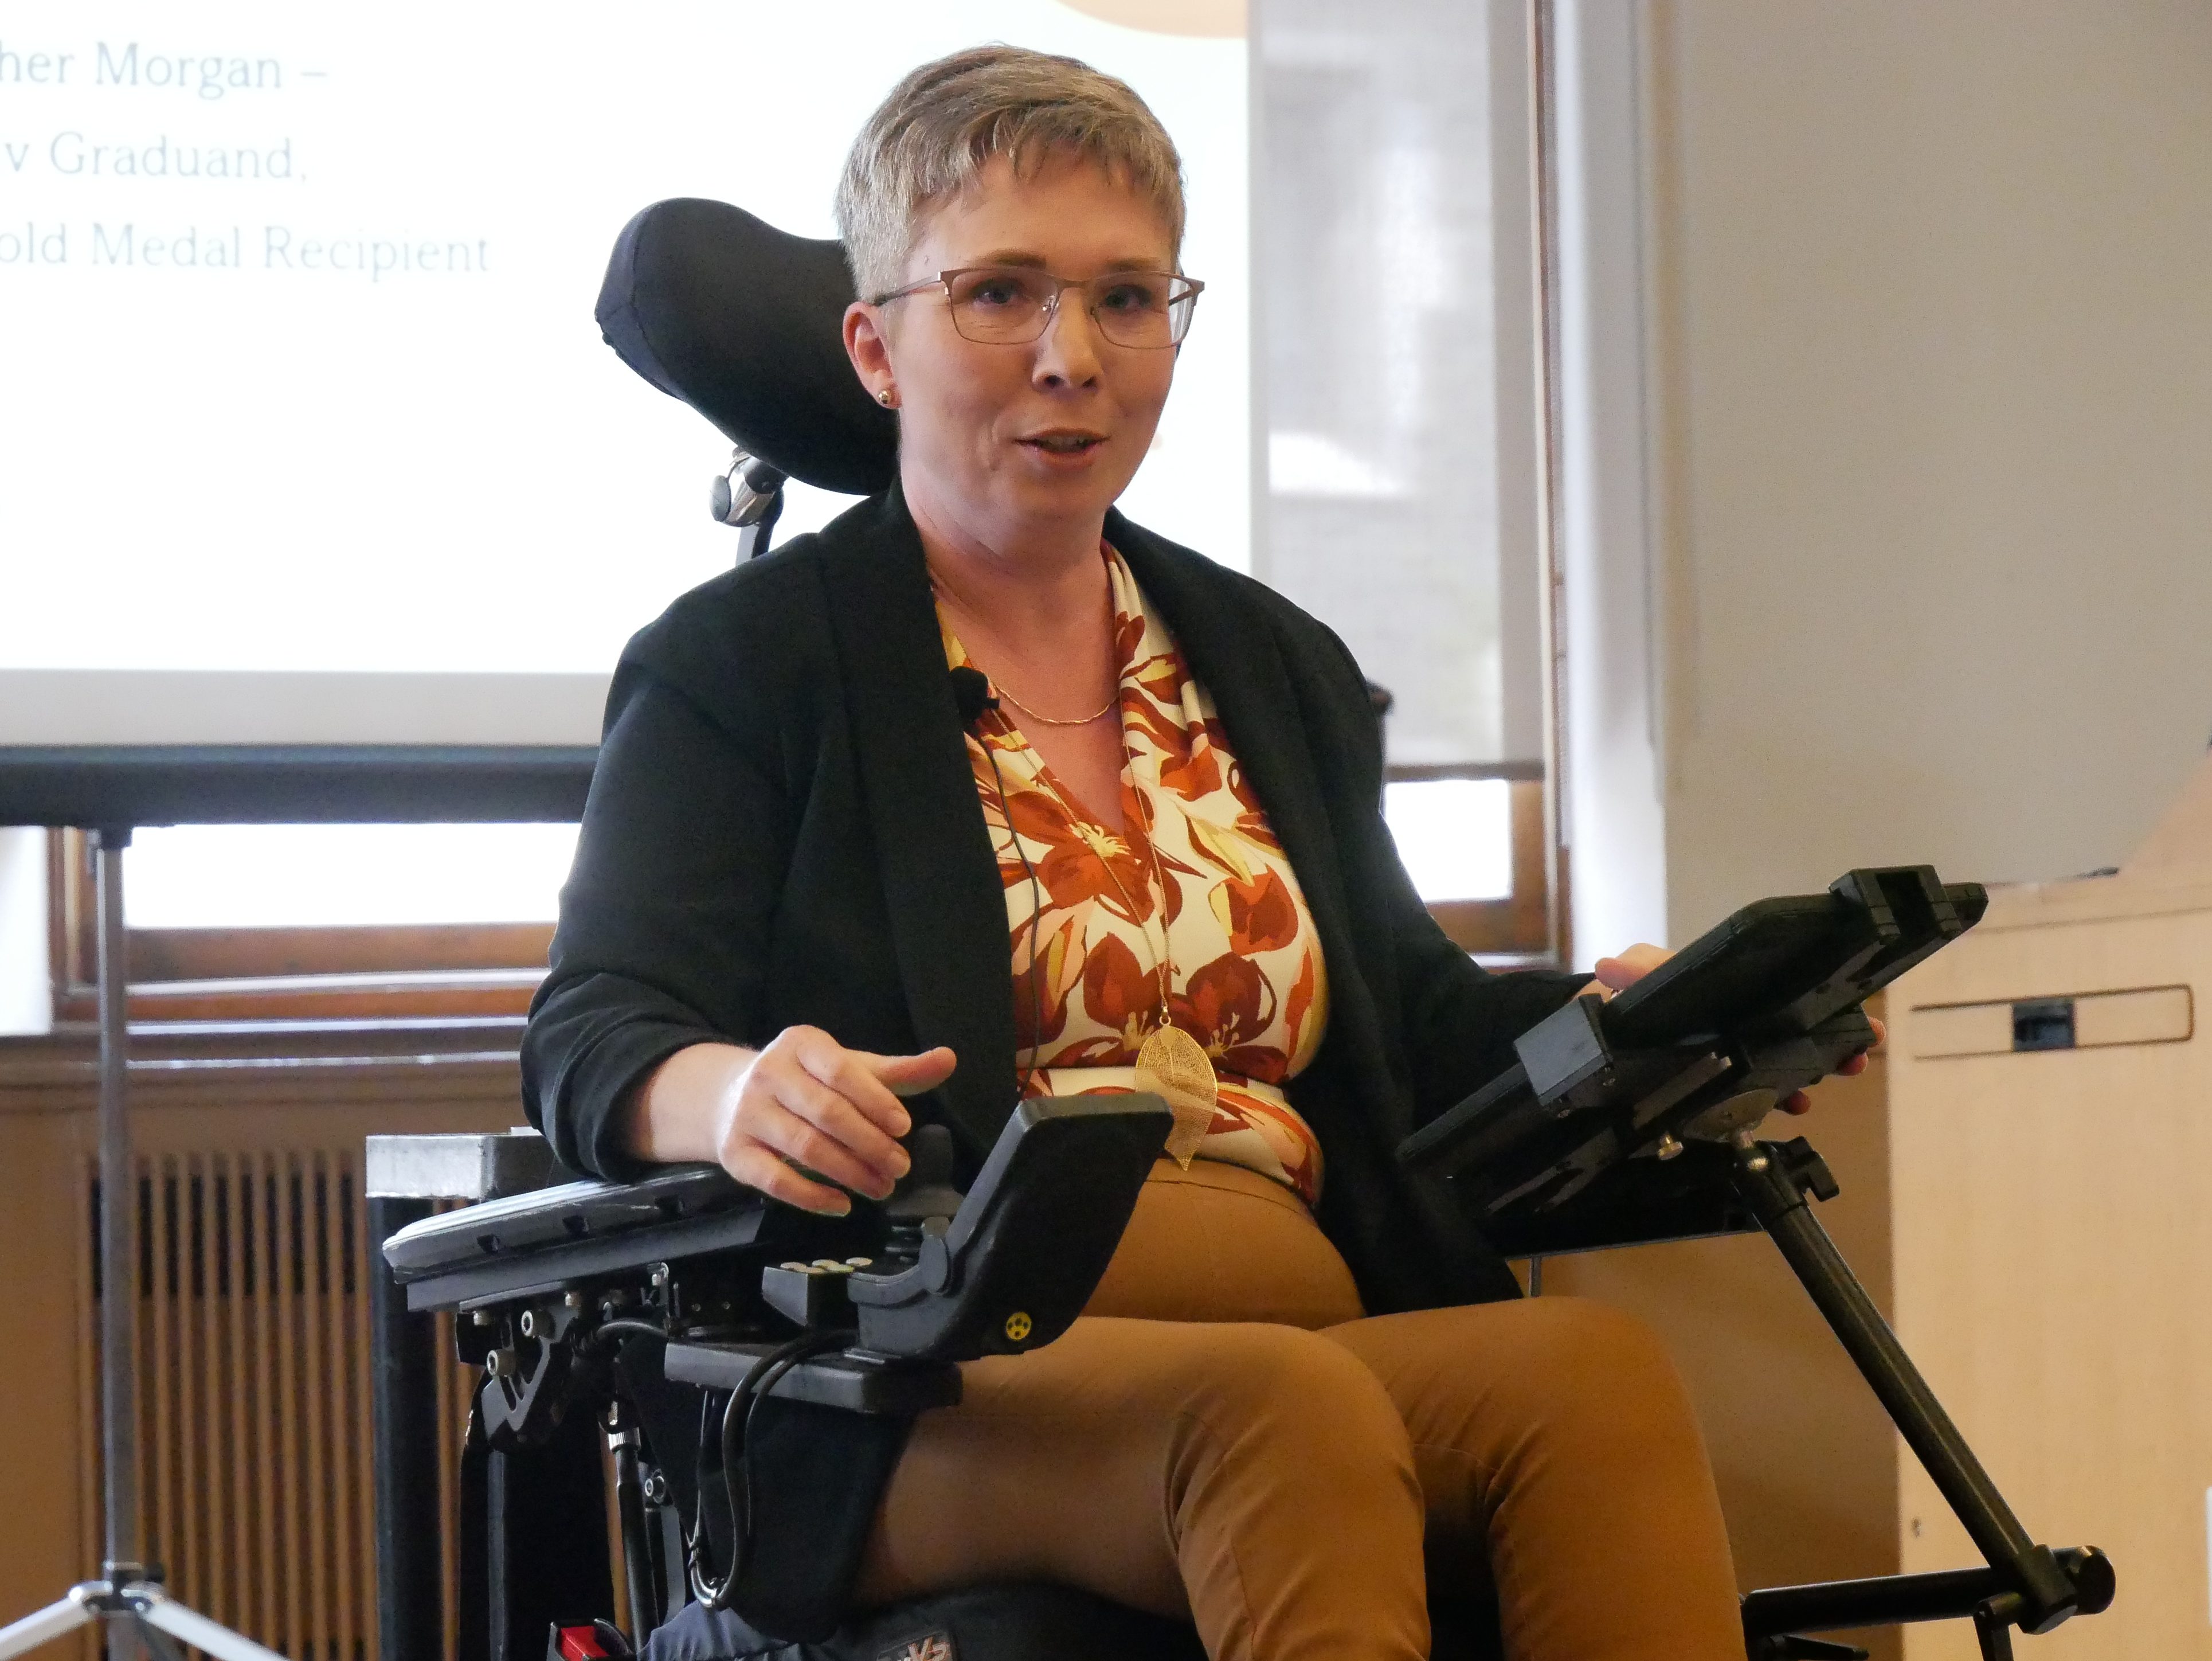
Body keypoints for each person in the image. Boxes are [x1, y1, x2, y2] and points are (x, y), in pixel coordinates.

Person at [526, 45, 1864, 1661]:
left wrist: (1633, 1022)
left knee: (1589, 1375)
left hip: (1298, 1314)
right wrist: (739, 1090)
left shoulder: (1264, 658)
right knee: (1273, 1406)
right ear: (877, 347)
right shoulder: (744, 665)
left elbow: (1414, 1025)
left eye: (1125, 298)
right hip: (922, 1377)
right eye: (1001, 294)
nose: (1071, 356)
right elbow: (594, 1032)